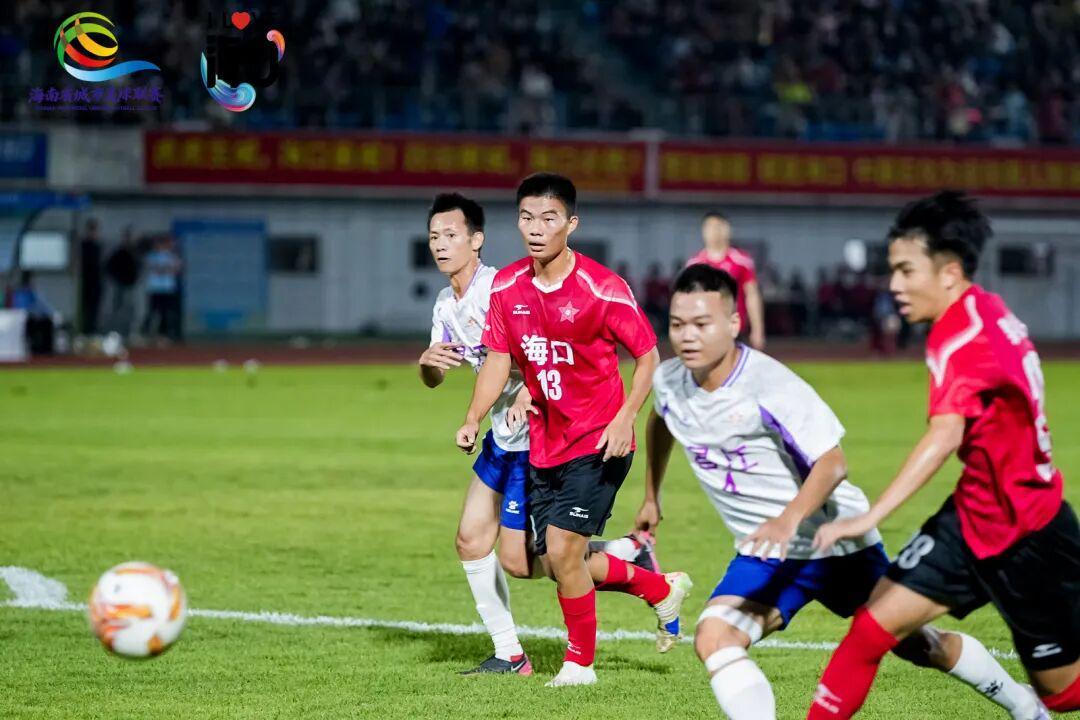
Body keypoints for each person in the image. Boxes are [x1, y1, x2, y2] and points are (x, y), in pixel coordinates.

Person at [639, 263, 1048, 720]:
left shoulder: (770, 385)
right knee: (715, 637)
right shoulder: (669, 380)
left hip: (836, 543)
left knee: (919, 645)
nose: (687, 336)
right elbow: (663, 419)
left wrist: (789, 519)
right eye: (677, 324)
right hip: (767, 554)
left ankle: (1025, 705)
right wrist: (652, 495)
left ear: (734, 323)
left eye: (701, 324)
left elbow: (833, 463)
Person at [807, 191, 1078, 718]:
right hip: (972, 516)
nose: (894, 285)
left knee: (1063, 695)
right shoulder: (987, 309)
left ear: (949, 272)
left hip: (1028, 532)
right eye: (892, 270)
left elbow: (945, 434)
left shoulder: (960, 336)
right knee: (869, 630)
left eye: (906, 270)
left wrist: (870, 516)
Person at [455, 173, 691, 688]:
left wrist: (626, 415)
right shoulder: (507, 287)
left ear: (571, 223)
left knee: (563, 549)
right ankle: (656, 586)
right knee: (551, 560)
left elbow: (648, 356)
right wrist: (474, 415)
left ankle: (579, 666)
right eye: (526, 218)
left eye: (549, 218)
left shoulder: (601, 288)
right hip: (544, 443)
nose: (536, 229)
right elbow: (498, 359)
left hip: (600, 440)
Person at [421, 192, 655, 676]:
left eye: (451, 235)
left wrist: (530, 390)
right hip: (502, 437)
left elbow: (543, 348)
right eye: (434, 237)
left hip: (538, 437)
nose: (441, 245)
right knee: (472, 542)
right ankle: (511, 653)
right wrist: (429, 367)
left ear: (477, 240)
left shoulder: (503, 286)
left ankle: (630, 562)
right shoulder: (446, 304)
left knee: (534, 560)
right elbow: (441, 373)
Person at [686, 211, 765, 350]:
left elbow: (752, 295)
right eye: (709, 227)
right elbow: (689, 300)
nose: (713, 231)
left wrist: (757, 329)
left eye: (718, 226)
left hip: (734, 328)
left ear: (727, 229)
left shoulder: (742, 260)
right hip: (705, 329)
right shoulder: (694, 263)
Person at [140, 235, 182, 344]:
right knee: (152, 312)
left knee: (166, 313)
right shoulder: (151, 256)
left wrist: (166, 268)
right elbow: (154, 268)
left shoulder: (170, 256)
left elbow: (177, 269)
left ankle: (162, 335)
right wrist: (166, 268)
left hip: (167, 289)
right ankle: (145, 333)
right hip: (155, 289)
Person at [104, 227, 140, 338]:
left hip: (130, 286)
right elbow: (108, 267)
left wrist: (135, 279)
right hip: (119, 285)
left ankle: (127, 332)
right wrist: (116, 279)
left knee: (130, 309)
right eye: (127, 238)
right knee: (117, 309)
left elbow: (138, 267)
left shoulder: (135, 252)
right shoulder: (118, 252)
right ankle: (114, 332)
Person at [79, 218, 103, 336]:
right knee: (86, 308)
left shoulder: (98, 246)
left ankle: (93, 330)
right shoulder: (83, 245)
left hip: (96, 282)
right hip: (86, 281)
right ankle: (85, 330)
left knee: (95, 308)